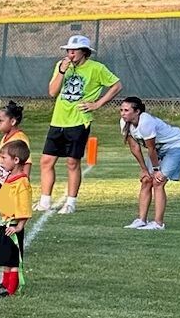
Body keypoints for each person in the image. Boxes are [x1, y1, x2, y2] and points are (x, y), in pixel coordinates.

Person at [36, 35, 122, 214]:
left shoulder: (96, 68)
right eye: (68, 50)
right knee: (46, 161)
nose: (70, 53)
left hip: (78, 121)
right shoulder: (61, 66)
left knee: (72, 162)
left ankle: (70, 202)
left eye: (74, 50)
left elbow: (116, 85)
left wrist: (97, 104)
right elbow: (52, 92)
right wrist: (61, 71)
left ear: (84, 52)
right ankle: (45, 201)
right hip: (58, 120)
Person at [118, 97, 180, 231]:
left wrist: (156, 170)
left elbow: (151, 149)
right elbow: (134, 147)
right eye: (121, 110)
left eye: (126, 110)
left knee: (158, 181)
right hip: (158, 149)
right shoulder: (124, 122)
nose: (123, 113)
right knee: (146, 180)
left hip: (176, 145)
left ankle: (158, 223)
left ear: (137, 111)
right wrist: (144, 169)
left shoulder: (145, 122)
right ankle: (141, 220)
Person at [0, 140, 33, 297]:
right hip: (2, 223)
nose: (1, 162)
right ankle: (5, 283)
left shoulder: (22, 182)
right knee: (3, 257)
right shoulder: (7, 178)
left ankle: (11, 288)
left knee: (12, 258)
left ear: (16, 160)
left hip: (11, 226)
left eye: (4, 158)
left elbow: (24, 204)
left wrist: (20, 225)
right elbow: (2, 198)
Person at [0, 100, 30, 171]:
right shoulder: (5, 137)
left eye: (1, 121)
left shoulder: (20, 138)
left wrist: (25, 179)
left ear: (12, 122)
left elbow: (27, 162)